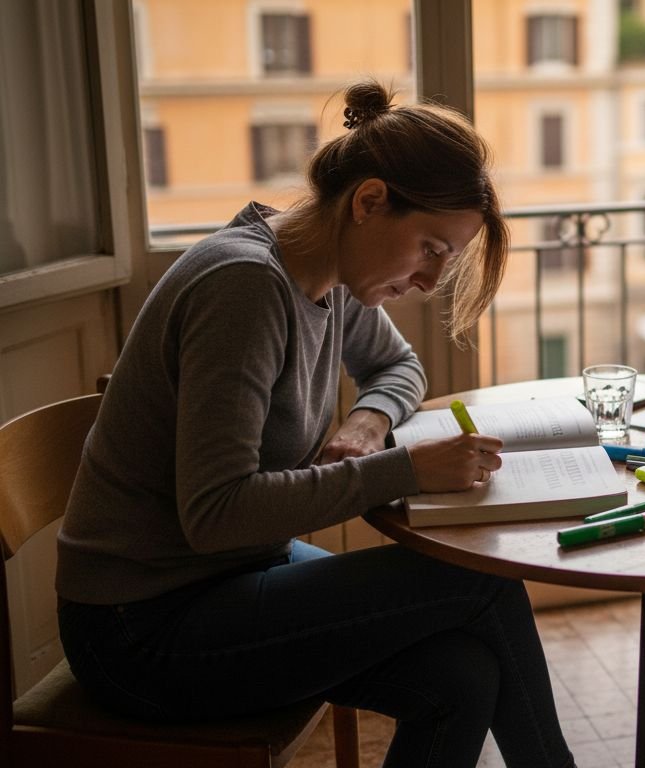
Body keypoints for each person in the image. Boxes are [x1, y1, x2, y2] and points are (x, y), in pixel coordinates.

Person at [55, 80, 575, 768]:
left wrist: (367, 419)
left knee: (460, 676)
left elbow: (400, 367)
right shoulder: (243, 288)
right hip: (141, 629)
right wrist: (403, 469)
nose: (428, 281)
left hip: (232, 577)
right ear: (368, 202)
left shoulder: (326, 273)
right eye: (430, 248)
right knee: (482, 581)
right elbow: (214, 513)